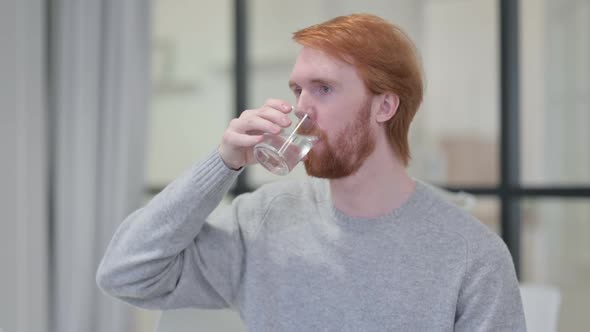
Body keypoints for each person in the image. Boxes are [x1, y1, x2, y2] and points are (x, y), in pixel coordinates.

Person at [97, 13, 526, 331]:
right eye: (297, 89)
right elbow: (126, 274)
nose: (300, 108)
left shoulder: (472, 255)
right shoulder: (261, 221)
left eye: (323, 88)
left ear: (384, 105)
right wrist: (222, 163)